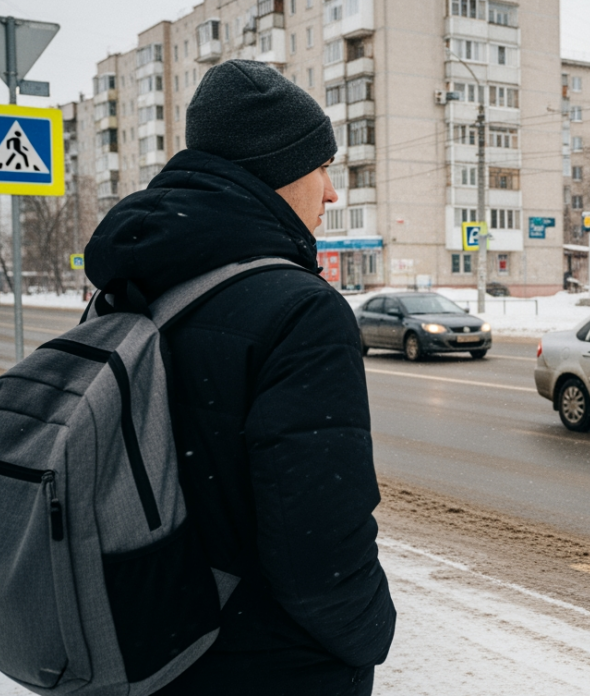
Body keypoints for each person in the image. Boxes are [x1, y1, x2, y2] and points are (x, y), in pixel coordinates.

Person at [84, 60, 395, 695]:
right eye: (321, 168)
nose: (332, 193)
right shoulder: (299, 309)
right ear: (279, 172)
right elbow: (318, 537)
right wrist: (367, 638)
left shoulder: (124, 286)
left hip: (143, 647)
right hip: (266, 661)